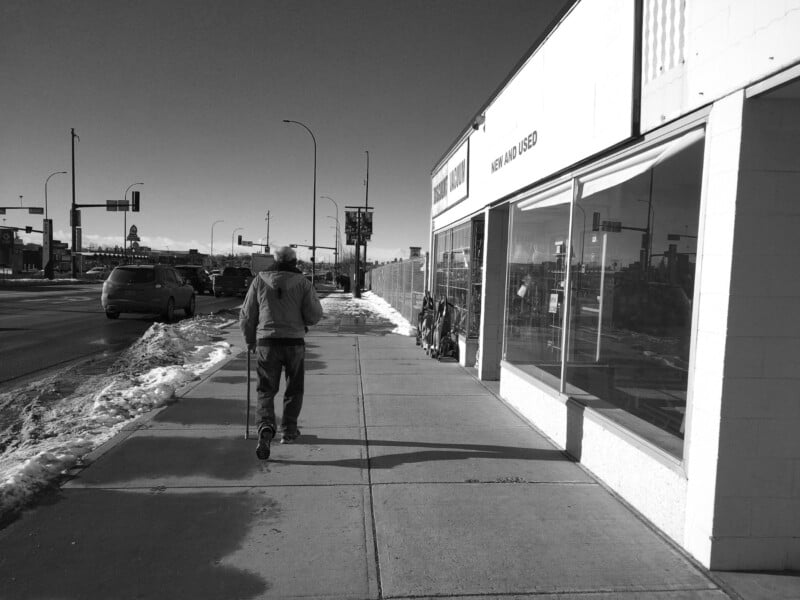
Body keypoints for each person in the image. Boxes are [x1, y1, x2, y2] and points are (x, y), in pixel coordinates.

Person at [240, 246, 323, 459]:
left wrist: (250, 340)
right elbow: (313, 315)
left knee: (266, 389)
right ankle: (289, 430)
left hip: (266, 342)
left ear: (274, 260)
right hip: (294, 341)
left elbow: (248, 314)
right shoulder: (303, 283)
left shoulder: (259, 280)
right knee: (294, 388)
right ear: (294, 261)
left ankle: (266, 428)